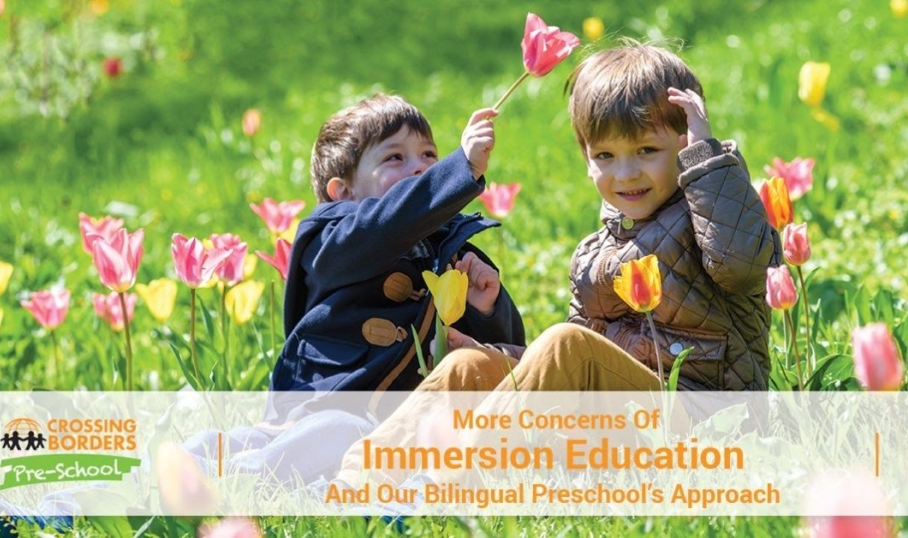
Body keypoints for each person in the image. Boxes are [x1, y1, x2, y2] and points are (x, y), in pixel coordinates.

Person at [333, 39, 781, 489]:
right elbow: (578, 367)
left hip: (709, 422)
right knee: (467, 367)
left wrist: (705, 159)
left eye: (646, 150)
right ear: (586, 159)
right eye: (605, 155)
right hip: (624, 419)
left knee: (566, 343)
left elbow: (742, 265)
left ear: (685, 141)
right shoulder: (595, 253)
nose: (625, 174)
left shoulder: (712, 212)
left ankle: (446, 483)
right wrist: (507, 359)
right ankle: (357, 482)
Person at [271, 93, 526, 395]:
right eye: (395, 157)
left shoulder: (450, 248)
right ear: (343, 191)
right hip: (325, 399)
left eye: (429, 155)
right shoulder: (334, 239)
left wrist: (486, 311)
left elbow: (505, 351)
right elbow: (384, 226)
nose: (420, 168)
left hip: (410, 419)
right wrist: (461, 169)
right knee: (337, 429)